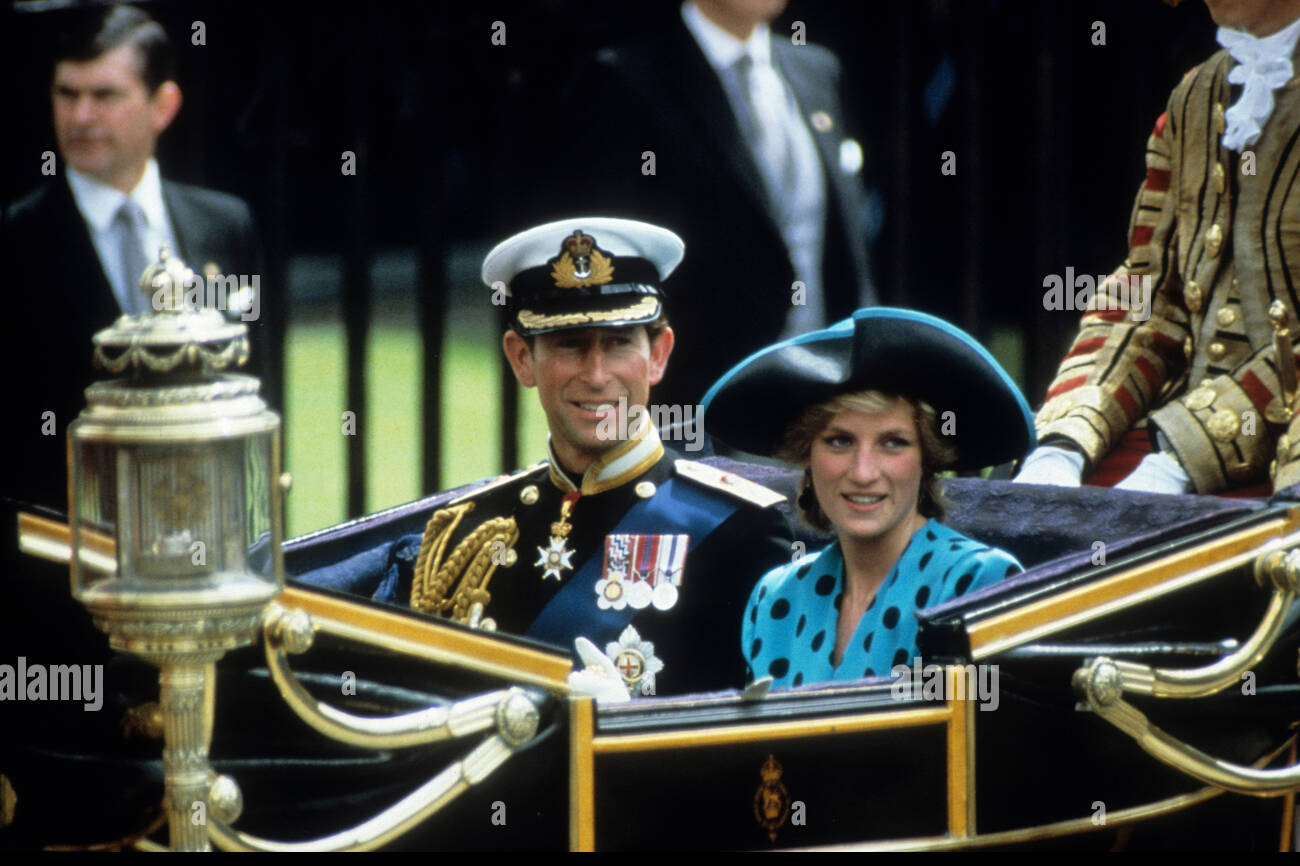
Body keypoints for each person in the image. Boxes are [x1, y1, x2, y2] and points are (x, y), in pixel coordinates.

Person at [300, 217, 794, 697]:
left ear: (659, 354)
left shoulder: (735, 529)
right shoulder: (470, 533)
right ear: (521, 358)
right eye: (569, 346)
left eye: (619, 343)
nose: (597, 374)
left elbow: (757, 738)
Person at [531, 0, 876, 411]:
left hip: (824, 393)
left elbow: (842, 249)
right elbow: (616, 261)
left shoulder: (816, 70)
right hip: (698, 401)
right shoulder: (623, 78)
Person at [1015, 0, 1300, 497]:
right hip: (1185, 431)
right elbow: (1149, 295)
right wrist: (1065, 440)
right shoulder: (1194, 99)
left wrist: (1187, 454)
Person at [2, 4, 267, 511]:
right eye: (67, 94)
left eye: (105, 96)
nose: (81, 116)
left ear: (162, 106)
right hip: (69, 553)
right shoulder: (16, 239)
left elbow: (256, 393)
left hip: (207, 539)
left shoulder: (226, 226)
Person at [701, 308, 1034, 688]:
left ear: (927, 459)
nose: (862, 472)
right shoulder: (775, 597)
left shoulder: (979, 581)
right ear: (806, 455)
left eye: (893, 443)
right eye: (839, 441)